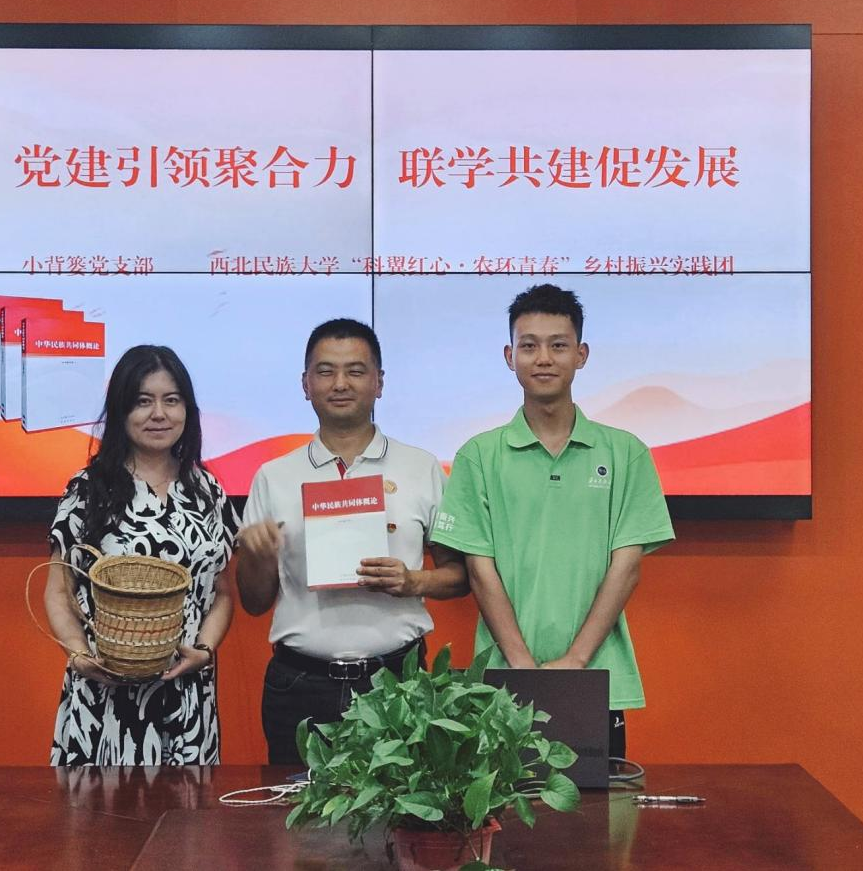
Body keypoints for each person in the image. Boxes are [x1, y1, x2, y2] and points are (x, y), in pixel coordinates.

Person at [430, 284, 675, 758]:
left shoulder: (626, 453)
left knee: (598, 804)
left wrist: (575, 661)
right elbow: (480, 571)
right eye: (529, 345)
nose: (543, 358)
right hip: (503, 681)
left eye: (558, 345)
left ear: (581, 355)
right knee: (503, 805)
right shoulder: (478, 456)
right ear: (510, 356)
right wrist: (522, 666)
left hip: (596, 678)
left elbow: (627, 567)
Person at [235, 318, 468, 765]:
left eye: (356, 371)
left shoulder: (421, 468)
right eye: (325, 371)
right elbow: (254, 601)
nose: (340, 383)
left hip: (397, 682)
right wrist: (258, 557)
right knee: (293, 808)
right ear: (305, 384)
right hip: (299, 685)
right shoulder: (274, 476)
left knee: (400, 806)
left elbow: (459, 576)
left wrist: (413, 581)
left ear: (379, 382)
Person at [44, 344, 237, 765]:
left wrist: (204, 650)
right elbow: (58, 590)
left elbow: (222, 593)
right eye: (143, 401)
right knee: (97, 809)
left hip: (188, 699)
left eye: (172, 400)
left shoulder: (208, 491)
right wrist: (78, 654)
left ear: (187, 410)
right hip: (104, 699)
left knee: (190, 809)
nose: (159, 414)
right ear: (120, 410)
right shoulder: (88, 489)